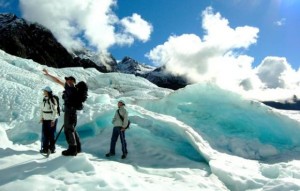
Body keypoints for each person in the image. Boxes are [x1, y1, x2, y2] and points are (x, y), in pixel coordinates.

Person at [42, 69, 81, 156]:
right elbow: (58, 81)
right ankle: (78, 148)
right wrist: (49, 74)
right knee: (72, 129)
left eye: (68, 80)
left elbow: (58, 81)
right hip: (72, 112)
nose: (66, 81)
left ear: (72, 81)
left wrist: (48, 74)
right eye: (66, 80)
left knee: (68, 129)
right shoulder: (73, 89)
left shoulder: (72, 89)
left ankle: (72, 149)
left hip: (70, 112)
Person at [40, 86, 58, 154]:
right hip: (45, 119)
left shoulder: (52, 99)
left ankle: (52, 149)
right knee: (45, 134)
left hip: (51, 119)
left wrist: (53, 120)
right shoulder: (44, 99)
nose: (43, 92)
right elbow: (42, 109)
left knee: (51, 135)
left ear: (47, 92)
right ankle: (45, 148)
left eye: (44, 91)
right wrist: (41, 117)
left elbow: (55, 110)